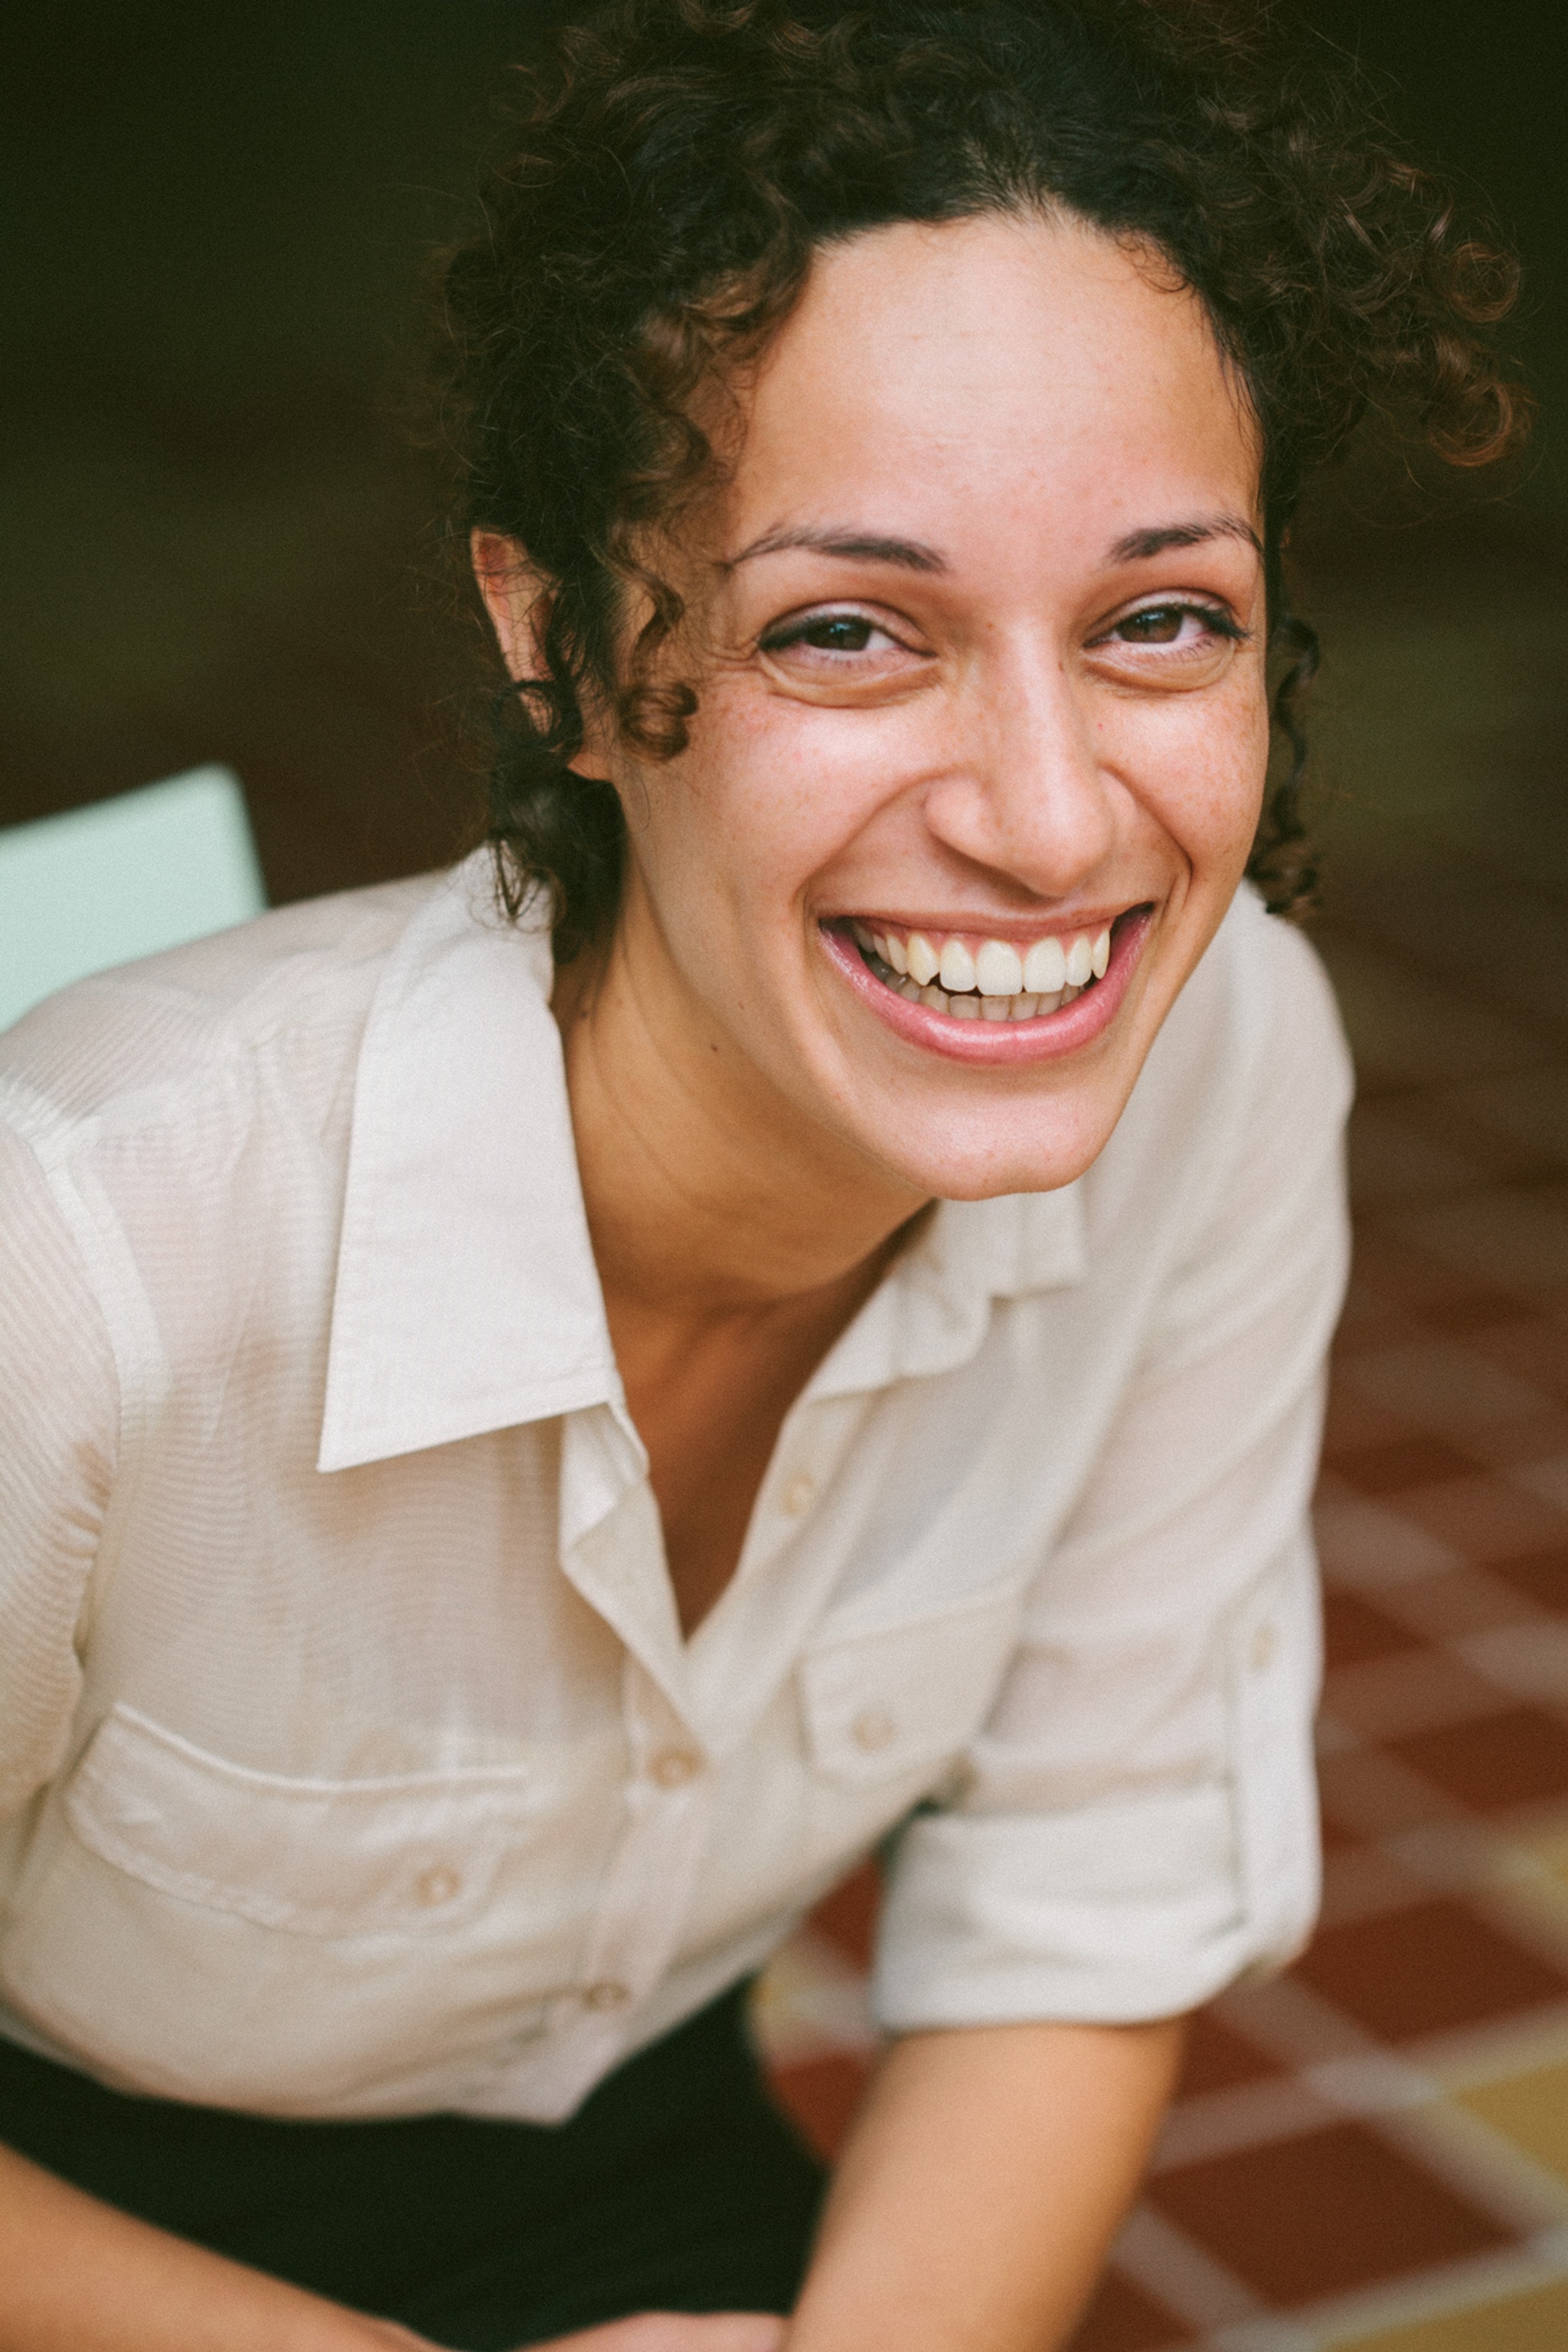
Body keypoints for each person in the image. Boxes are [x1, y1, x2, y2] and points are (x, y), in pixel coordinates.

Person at [0, 2, 1525, 2347]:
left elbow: (1088, 1887)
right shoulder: (81, 1247)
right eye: (849, 629)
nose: (1043, 819)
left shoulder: (1228, 1066)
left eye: (1158, 621)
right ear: (560, 649)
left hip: (612, 2150)